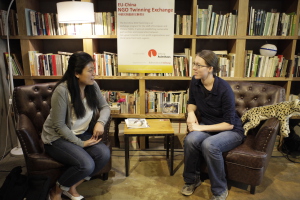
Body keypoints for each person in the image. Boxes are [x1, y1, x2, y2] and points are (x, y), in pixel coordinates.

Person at [41, 51, 111, 200]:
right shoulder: (62, 91)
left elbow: (105, 107)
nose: (94, 74)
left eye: (94, 69)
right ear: (77, 73)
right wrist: (81, 143)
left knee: (104, 154)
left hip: (80, 133)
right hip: (57, 138)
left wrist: (100, 122)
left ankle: (70, 186)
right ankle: (56, 191)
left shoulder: (92, 86)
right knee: (86, 164)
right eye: (90, 70)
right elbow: (59, 125)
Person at [181, 50, 244, 200]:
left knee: (210, 145)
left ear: (210, 68)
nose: (194, 68)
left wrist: (200, 127)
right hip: (209, 125)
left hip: (231, 130)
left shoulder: (224, 89)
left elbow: (229, 124)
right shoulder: (195, 81)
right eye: (194, 64)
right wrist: (190, 113)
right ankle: (192, 180)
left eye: (198, 65)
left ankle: (220, 190)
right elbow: (192, 102)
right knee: (190, 140)